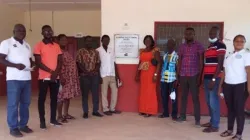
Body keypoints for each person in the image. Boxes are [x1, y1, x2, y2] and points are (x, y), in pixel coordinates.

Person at [0, 24, 33, 137]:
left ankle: (23, 125)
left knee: (25, 103)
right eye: (19, 30)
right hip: (14, 79)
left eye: (23, 31)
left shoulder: (27, 45)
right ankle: (13, 127)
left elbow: (29, 59)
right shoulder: (6, 43)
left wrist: (32, 65)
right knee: (13, 104)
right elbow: (1, 59)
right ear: (14, 31)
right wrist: (15, 65)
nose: (22, 32)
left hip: (27, 78)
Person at [219, 35, 250, 140]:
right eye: (237, 41)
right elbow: (224, 72)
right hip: (228, 85)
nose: (239, 42)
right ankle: (229, 130)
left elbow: (248, 71)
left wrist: (249, 88)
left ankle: (239, 134)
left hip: (240, 85)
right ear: (233, 42)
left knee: (239, 110)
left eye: (242, 41)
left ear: (244, 43)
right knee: (231, 109)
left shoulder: (246, 54)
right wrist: (220, 87)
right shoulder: (228, 56)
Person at [34, 25, 63, 129]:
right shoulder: (38, 46)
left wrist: (56, 73)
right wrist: (51, 72)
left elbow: (60, 61)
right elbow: (38, 63)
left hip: (55, 78)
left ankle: (53, 120)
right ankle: (42, 122)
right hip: (43, 78)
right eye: (46, 31)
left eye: (50, 31)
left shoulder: (56, 45)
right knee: (41, 99)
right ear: (42, 33)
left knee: (54, 99)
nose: (48, 33)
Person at [176, 27, 204, 126]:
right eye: (186, 34)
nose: (188, 35)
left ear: (194, 34)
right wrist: (178, 75)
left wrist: (200, 76)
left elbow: (201, 62)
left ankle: (197, 120)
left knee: (195, 98)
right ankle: (182, 116)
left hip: (194, 75)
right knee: (183, 96)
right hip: (183, 74)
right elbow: (179, 61)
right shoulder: (182, 46)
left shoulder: (198, 46)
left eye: (190, 34)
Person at [201, 26, 226, 132]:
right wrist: (203, 79)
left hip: (214, 79)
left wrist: (214, 79)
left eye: (214, 33)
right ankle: (212, 121)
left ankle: (215, 126)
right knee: (208, 101)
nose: (211, 35)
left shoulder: (220, 45)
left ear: (218, 34)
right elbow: (206, 64)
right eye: (210, 33)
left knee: (213, 101)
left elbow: (220, 63)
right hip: (207, 78)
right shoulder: (209, 46)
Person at [76, 35, 103, 119]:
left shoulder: (96, 52)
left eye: (90, 41)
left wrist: (94, 71)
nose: (89, 42)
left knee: (95, 94)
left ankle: (95, 111)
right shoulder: (80, 51)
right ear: (85, 42)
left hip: (94, 76)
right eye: (87, 41)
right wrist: (86, 71)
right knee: (85, 95)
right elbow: (78, 63)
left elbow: (98, 63)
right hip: (84, 76)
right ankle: (85, 112)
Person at [135, 35, 161, 117]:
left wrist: (156, 75)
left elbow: (159, 63)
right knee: (143, 92)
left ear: (152, 41)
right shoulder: (142, 51)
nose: (147, 42)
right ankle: (143, 109)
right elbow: (140, 63)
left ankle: (149, 111)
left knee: (150, 92)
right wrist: (137, 74)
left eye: (149, 40)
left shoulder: (155, 50)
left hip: (151, 74)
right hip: (143, 74)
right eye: (146, 40)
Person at [56, 34, 81, 123]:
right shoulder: (57, 52)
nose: (64, 42)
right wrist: (61, 77)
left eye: (65, 40)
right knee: (60, 97)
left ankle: (65, 114)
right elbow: (57, 66)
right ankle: (59, 116)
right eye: (62, 40)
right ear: (58, 41)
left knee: (67, 96)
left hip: (69, 78)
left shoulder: (66, 51)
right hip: (62, 78)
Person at [97, 35, 121, 116]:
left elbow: (114, 62)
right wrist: (99, 76)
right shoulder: (98, 50)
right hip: (103, 75)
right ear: (102, 40)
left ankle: (112, 108)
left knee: (115, 92)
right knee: (104, 93)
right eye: (105, 40)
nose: (106, 41)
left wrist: (117, 76)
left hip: (112, 74)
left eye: (108, 40)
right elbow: (97, 64)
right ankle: (105, 109)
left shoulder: (111, 50)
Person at [159, 38, 178, 120]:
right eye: (168, 44)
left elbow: (178, 68)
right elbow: (163, 66)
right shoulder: (165, 55)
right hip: (163, 80)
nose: (169, 45)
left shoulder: (177, 56)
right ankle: (165, 113)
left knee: (173, 97)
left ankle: (174, 115)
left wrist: (177, 79)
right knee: (164, 97)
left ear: (174, 45)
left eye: (171, 44)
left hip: (172, 79)